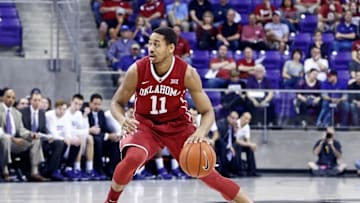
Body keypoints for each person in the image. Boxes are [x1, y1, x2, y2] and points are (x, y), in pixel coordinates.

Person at [105, 27, 253, 203]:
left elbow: (207, 111)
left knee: (207, 174)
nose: (151, 48)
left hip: (178, 126)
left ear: (171, 48)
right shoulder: (137, 70)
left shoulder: (187, 72)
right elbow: (116, 103)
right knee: (133, 158)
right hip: (145, 125)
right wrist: (123, 119)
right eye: (150, 43)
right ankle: (110, 201)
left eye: (157, 44)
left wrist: (200, 132)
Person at [0, 88, 48, 182]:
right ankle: (5, 170)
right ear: (2, 98)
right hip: (3, 140)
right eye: (8, 97)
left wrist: (31, 134)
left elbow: (21, 130)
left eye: (13, 98)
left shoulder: (17, 113)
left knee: (35, 140)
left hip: (15, 142)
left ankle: (34, 171)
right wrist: (12, 138)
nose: (11, 100)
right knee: (6, 139)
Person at [20, 91, 65, 180]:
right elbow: (21, 129)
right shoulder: (23, 112)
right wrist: (31, 135)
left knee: (59, 143)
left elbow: (43, 129)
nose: (37, 102)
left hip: (41, 139)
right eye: (35, 100)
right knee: (36, 142)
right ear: (31, 101)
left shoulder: (42, 113)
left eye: (39, 100)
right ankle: (35, 172)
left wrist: (48, 137)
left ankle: (50, 171)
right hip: (28, 139)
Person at [235, 112, 259, 177]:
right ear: (241, 117)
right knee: (238, 147)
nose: (247, 120)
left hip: (241, 143)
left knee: (250, 149)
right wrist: (249, 144)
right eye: (245, 118)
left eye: (248, 119)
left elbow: (247, 140)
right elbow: (235, 140)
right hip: (233, 144)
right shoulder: (235, 124)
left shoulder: (247, 126)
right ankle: (239, 171)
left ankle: (252, 171)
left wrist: (251, 145)